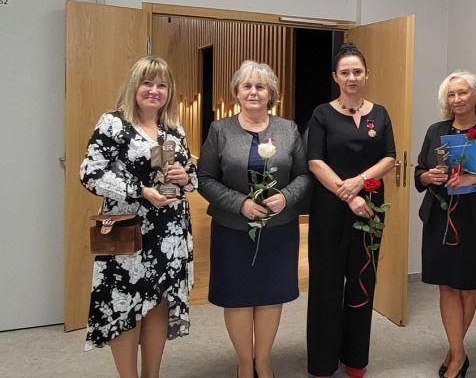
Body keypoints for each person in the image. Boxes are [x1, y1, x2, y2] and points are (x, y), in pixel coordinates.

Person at [80, 56, 196, 378]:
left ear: (169, 91)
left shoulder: (173, 129)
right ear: (135, 86)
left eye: (162, 85)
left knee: (158, 303)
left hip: (169, 234)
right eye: (147, 83)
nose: (154, 90)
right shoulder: (113, 124)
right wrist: (139, 191)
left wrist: (185, 177)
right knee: (125, 307)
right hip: (128, 234)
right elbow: (90, 173)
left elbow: (191, 176)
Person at [197, 60, 310, 378]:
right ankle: (245, 363)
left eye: (260, 86)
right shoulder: (220, 130)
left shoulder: (288, 129)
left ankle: (264, 361)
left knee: (271, 294)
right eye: (246, 86)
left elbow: (304, 176)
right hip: (232, 230)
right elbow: (204, 178)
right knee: (238, 297)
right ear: (236, 91)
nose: (253, 92)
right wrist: (240, 204)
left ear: (271, 93)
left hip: (278, 231)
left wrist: (285, 197)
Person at [414, 71, 476, 378]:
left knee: (466, 287)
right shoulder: (436, 131)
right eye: (451, 94)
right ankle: (458, 353)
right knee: (446, 286)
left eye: (462, 93)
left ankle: (454, 352)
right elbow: (419, 172)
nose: (457, 99)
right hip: (440, 218)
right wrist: (428, 176)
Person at [306, 43, 396, 378]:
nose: (352, 77)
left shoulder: (380, 113)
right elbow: (315, 161)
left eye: (357, 71)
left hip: (369, 209)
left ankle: (356, 358)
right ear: (335, 77)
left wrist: (359, 183)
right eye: (345, 72)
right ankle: (323, 361)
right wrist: (347, 194)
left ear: (366, 74)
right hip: (330, 208)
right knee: (326, 284)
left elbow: (390, 158)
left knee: (362, 281)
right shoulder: (322, 114)